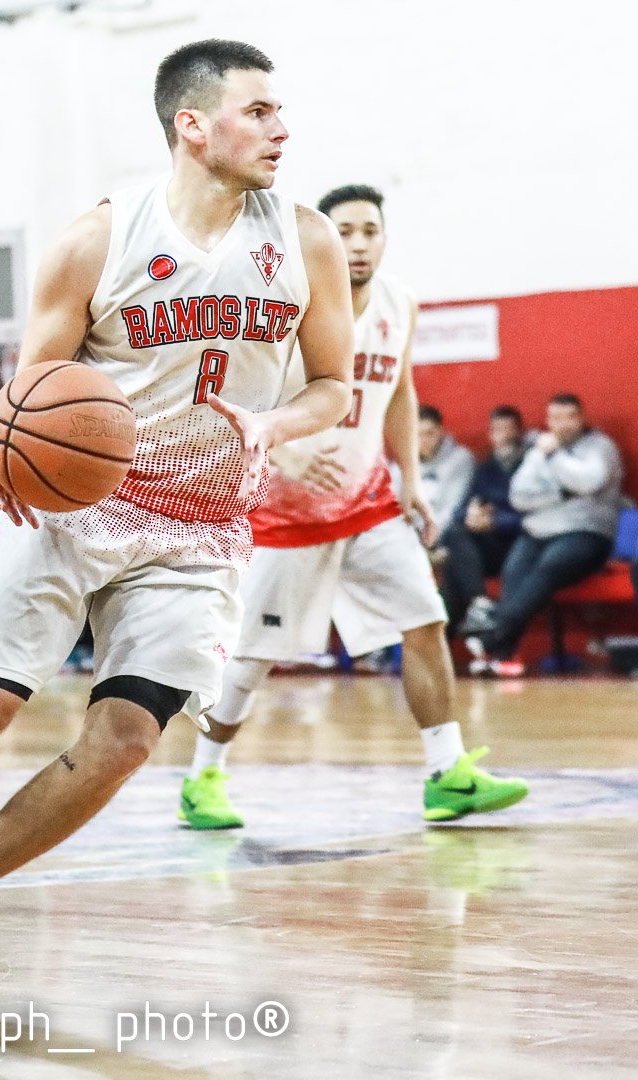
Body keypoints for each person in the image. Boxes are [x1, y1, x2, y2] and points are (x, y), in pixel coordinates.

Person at [0, 39, 357, 1000]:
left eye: (281, 112)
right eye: (257, 111)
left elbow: (333, 386)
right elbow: (34, 384)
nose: (280, 128)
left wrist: (274, 423)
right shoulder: (99, 237)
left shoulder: (306, 240)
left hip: (204, 526)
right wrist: (13, 445)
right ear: (190, 124)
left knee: (125, 740)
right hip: (78, 505)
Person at [178, 183, 528, 832]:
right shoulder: (281, 305)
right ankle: (202, 777)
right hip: (285, 516)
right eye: (345, 230)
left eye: (370, 229)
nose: (359, 242)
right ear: (320, 238)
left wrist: (412, 481)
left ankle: (447, 774)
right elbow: (226, 391)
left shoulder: (400, 303)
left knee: (425, 618)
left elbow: (400, 391)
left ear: (384, 237)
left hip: (369, 505)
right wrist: (283, 452)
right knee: (251, 658)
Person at [464, 393, 623, 673]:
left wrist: (555, 457)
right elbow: (519, 495)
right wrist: (563, 493)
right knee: (514, 569)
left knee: (548, 566)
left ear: (582, 417)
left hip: (586, 533)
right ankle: (504, 656)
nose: (562, 424)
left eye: (569, 417)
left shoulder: (600, 447)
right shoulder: (539, 449)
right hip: (538, 531)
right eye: (555, 418)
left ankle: (492, 639)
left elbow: (589, 481)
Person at [440, 405, 527, 636]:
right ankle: (479, 605)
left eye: (509, 429)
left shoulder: (531, 463)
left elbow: (535, 517)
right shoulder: (485, 469)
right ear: (490, 434)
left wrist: (496, 521)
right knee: (455, 534)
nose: (504, 435)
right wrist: (471, 517)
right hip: (488, 545)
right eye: (497, 429)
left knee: (454, 566)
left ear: (520, 432)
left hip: (520, 544)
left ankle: (445, 641)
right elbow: (460, 510)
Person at [417, 404, 476, 541]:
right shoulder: (401, 465)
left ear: (441, 431)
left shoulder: (460, 459)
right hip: (410, 536)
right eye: (418, 434)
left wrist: (428, 538)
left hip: (447, 533)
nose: (424, 440)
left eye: (429, 433)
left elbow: (451, 509)